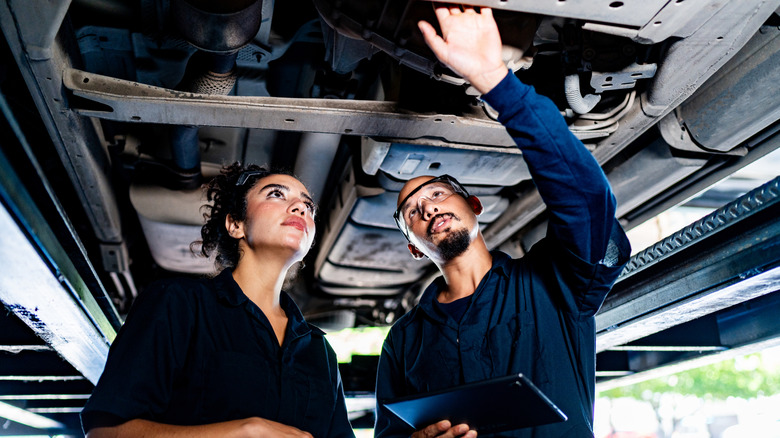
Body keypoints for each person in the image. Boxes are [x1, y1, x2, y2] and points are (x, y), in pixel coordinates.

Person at [374, 5, 631, 438]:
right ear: (414, 246)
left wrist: (497, 83)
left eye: (437, 194)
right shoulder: (403, 342)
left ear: (474, 205)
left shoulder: (554, 284)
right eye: (412, 213)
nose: (428, 209)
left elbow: (585, 199)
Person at [81, 163, 355, 438]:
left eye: (308, 206)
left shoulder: (320, 351)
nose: (300, 208)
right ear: (235, 224)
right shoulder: (177, 304)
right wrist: (242, 432)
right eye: (276, 194)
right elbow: (104, 433)